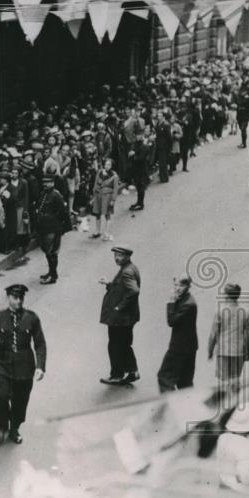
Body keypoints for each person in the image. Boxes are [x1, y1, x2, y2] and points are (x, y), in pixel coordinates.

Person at [0, 284, 46, 446]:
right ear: (8, 298)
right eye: (15, 298)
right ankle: (3, 427)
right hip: (2, 363)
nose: (18, 301)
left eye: (21, 298)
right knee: (2, 397)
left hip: (24, 365)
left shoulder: (31, 318)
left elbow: (40, 343)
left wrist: (40, 366)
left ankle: (14, 429)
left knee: (20, 400)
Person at [99, 246, 141, 385]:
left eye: (120, 255)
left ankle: (117, 375)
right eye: (115, 255)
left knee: (115, 345)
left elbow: (134, 291)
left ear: (127, 257)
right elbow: (122, 287)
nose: (117, 258)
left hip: (121, 318)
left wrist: (119, 307)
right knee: (124, 344)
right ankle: (132, 371)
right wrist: (109, 284)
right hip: (127, 317)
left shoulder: (126, 271)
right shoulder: (130, 268)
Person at [156, 276, 198, 393]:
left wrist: (171, 302)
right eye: (175, 285)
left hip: (179, 347)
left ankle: (171, 406)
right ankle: (187, 407)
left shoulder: (188, 304)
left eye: (181, 285)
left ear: (188, 286)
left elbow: (171, 321)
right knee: (185, 382)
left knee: (165, 377)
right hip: (189, 346)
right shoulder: (187, 299)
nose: (177, 288)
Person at [208, 283, 249, 386]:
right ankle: (234, 400)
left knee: (224, 382)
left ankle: (226, 400)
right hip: (239, 352)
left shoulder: (220, 311)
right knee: (235, 380)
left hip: (223, 351)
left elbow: (213, 334)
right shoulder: (245, 312)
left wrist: (210, 351)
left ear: (227, 296)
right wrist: (248, 352)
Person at [35, 174, 68, 284]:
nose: (45, 184)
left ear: (53, 183)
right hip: (44, 227)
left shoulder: (56, 195)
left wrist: (57, 224)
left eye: (48, 182)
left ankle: (53, 276)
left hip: (53, 228)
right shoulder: (44, 193)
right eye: (44, 182)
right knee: (47, 251)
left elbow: (62, 212)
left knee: (51, 252)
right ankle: (51, 272)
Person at [90, 157, 119, 241]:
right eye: (106, 164)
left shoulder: (114, 175)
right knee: (97, 213)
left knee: (107, 214)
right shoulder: (99, 172)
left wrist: (113, 200)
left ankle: (106, 232)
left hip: (107, 197)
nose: (107, 166)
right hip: (98, 195)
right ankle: (97, 231)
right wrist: (94, 195)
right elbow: (95, 184)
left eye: (109, 164)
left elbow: (115, 189)